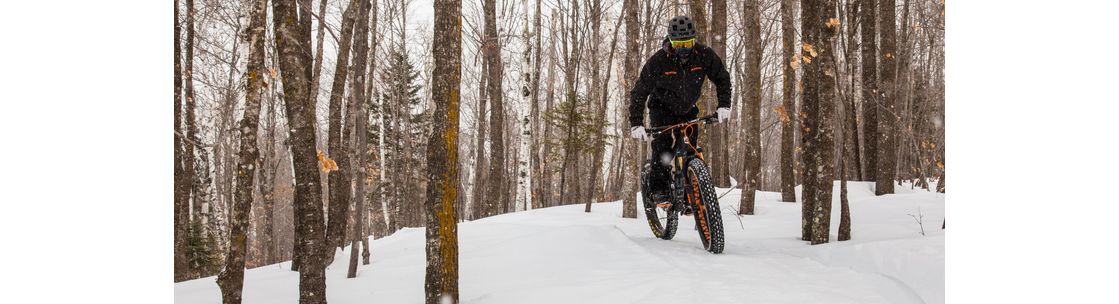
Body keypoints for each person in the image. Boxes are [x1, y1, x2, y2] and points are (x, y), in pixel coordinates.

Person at [629, 15, 733, 206]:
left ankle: (689, 192)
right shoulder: (658, 61)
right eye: (679, 44)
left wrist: (724, 105)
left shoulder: (704, 55)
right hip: (661, 109)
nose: (684, 49)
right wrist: (636, 122)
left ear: (694, 40)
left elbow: (722, 78)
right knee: (663, 149)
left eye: (688, 43)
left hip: (688, 109)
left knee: (691, 149)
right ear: (670, 41)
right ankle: (659, 189)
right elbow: (639, 91)